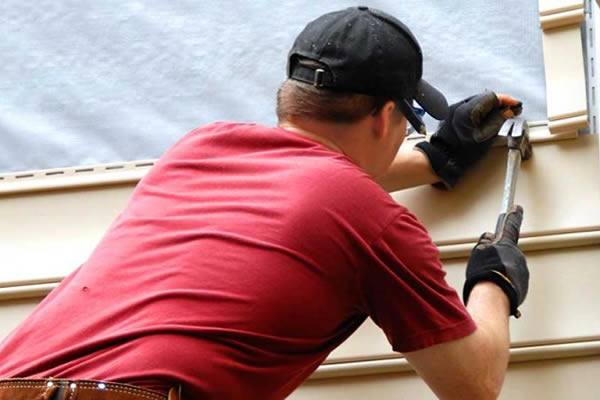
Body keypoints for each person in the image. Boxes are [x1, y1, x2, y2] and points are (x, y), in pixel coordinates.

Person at [0, 6, 529, 400]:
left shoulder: (199, 148)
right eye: (408, 124)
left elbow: (310, 181)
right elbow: (473, 385)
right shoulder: (373, 221)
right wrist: (495, 282)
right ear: (385, 117)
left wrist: (438, 157)